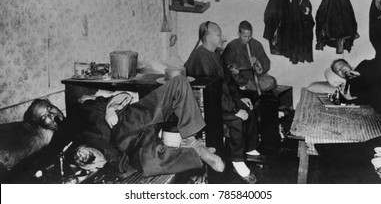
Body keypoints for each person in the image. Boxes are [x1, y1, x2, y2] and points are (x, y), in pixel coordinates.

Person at [7, 76, 225, 182]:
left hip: (130, 119)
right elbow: (39, 160)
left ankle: (192, 139)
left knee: (178, 83)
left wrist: (111, 107)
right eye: (44, 117)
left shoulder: (82, 106)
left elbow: (120, 96)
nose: (51, 115)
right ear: (40, 125)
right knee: (144, 163)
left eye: (49, 108)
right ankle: (197, 152)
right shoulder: (61, 139)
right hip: (126, 149)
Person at [184, 21, 265, 184]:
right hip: (206, 107)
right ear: (207, 36)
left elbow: (228, 82)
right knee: (237, 118)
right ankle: (237, 161)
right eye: (219, 34)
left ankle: (249, 148)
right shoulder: (200, 58)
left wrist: (240, 99)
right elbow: (211, 95)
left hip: (219, 101)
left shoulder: (215, 54)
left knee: (248, 107)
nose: (223, 37)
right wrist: (235, 109)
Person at [326, 58, 381, 125]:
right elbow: (365, 100)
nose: (341, 69)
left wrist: (361, 74)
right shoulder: (348, 87)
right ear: (339, 75)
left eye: (342, 65)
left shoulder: (364, 64)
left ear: (348, 65)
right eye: (338, 70)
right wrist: (349, 99)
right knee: (378, 105)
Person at [222, 20, 276, 92]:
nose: (247, 39)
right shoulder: (232, 45)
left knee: (271, 82)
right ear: (239, 33)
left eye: (249, 36)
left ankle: (247, 86)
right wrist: (232, 67)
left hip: (254, 76)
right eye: (244, 36)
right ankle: (249, 86)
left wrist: (257, 62)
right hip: (239, 76)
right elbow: (224, 63)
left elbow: (266, 63)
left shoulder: (256, 44)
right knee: (232, 81)